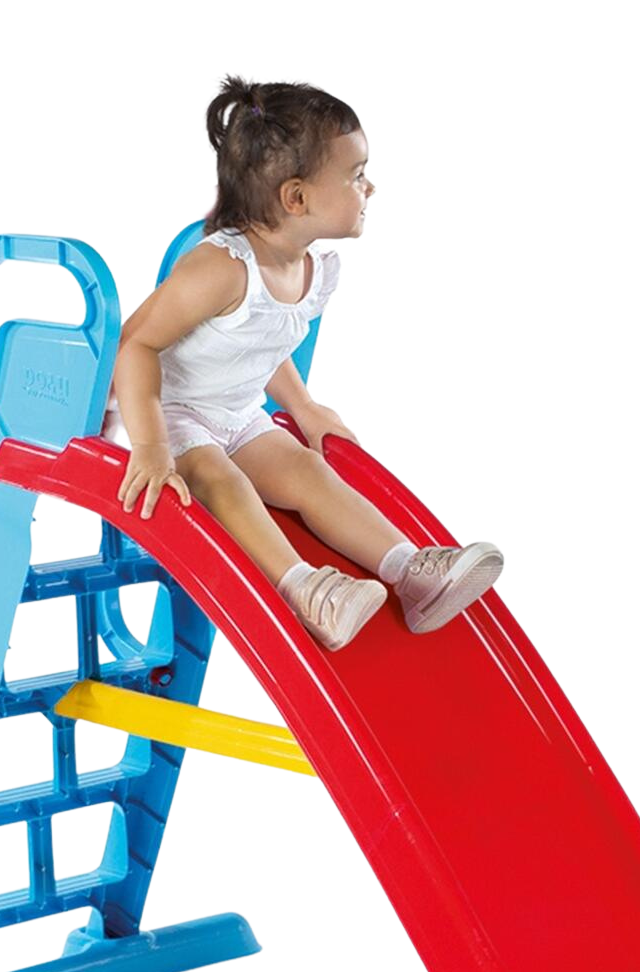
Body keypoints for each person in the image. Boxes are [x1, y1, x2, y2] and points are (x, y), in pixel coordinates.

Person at [103, 75, 504, 651]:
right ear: (296, 198)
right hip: (169, 414)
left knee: (308, 471)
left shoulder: (311, 270)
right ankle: (305, 589)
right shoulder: (220, 267)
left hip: (237, 414)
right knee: (220, 478)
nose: (371, 188)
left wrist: (305, 407)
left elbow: (262, 346)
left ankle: (409, 571)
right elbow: (135, 345)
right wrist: (149, 445)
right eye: (357, 175)